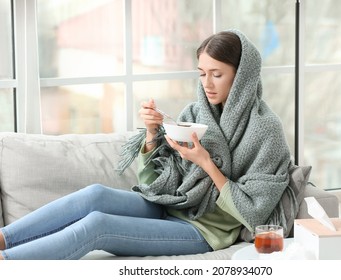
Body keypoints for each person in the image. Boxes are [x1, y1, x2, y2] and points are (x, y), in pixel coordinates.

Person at [0, 29, 296, 260]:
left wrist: (206, 163)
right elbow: (157, 184)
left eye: (217, 74)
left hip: (203, 231)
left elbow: (255, 213)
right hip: (172, 205)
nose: (207, 83)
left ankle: (8, 262)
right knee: (95, 195)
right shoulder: (194, 115)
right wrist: (153, 135)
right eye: (202, 73)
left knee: (98, 226)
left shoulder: (265, 130)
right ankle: (3, 239)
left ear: (242, 76)